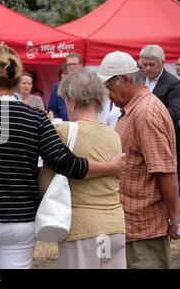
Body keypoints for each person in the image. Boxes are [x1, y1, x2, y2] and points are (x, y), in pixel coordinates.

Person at [0, 45, 125, 269]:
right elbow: (66, 163)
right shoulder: (35, 118)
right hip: (20, 218)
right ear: (17, 80)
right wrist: (108, 167)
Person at [99, 50, 179, 269]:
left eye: (109, 86)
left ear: (124, 80)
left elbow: (164, 171)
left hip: (146, 229)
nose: (108, 94)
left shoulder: (145, 113)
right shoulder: (134, 109)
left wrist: (175, 219)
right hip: (134, 226)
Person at [39, 69, 126, 269]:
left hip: (81, 228)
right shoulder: (114, 135)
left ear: (71, 100)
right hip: (115, 225)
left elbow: (46, 183)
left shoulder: (63, 131)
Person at [140, 45, 180, 197]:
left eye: (152, 64)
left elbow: (176, 112)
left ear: (162, 63)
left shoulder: (173, 83)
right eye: (144, 64)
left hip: (164, 140)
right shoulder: (138, 78)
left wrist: (148, 114)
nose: (148, 68)